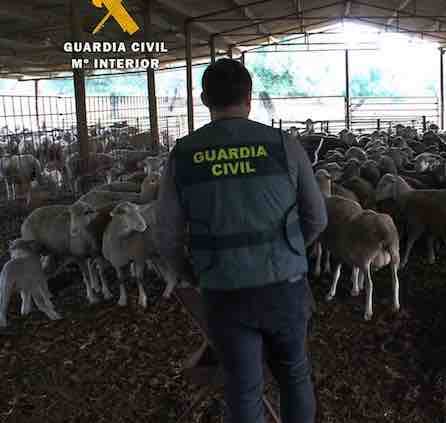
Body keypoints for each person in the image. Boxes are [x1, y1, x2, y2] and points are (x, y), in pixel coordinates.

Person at [156, 58, 328, 423]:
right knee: (295, 376)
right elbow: (317, 218)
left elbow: (167, 235)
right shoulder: (284, 145)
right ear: (249, 98)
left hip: (224, 290)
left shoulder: (184, 154)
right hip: (284, 286)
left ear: (204, 99)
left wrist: (190, 272)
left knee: (243, 387)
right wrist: (292, 250)